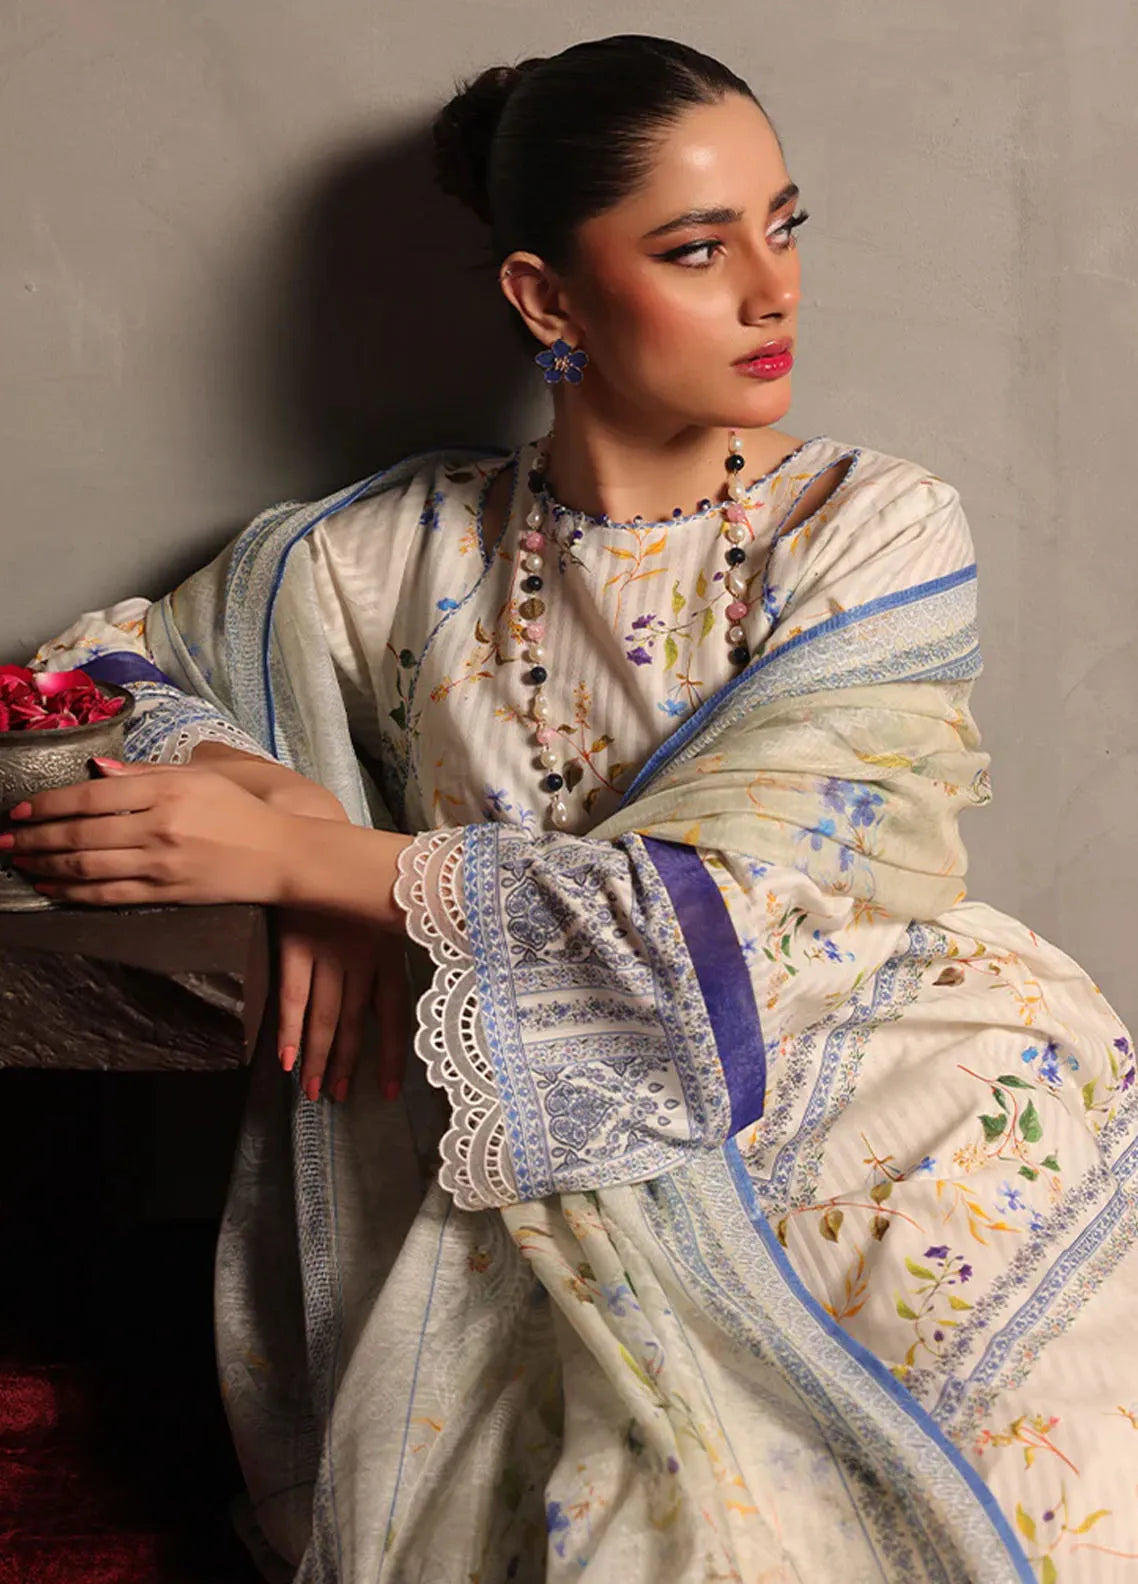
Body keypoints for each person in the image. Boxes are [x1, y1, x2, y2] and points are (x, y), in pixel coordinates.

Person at [9, 32, 1137, 1584]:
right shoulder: (381, 558)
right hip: (535, 1146)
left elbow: (731, 908)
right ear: (545, 298)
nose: (772, 290)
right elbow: (74, 691)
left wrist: (323, 864)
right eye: (697, 249)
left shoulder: (870, 530)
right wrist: (281, 806)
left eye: (784, 225)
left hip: (892, 1091)